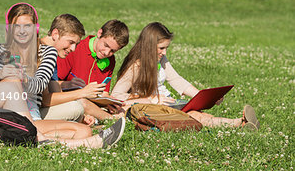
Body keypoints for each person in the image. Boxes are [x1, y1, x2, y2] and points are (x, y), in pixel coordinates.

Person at [0, 3, 126, 148]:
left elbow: (40, 84)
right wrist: (7, 74)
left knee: (84, 131)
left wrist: (22, 77)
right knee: (10, 81)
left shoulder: (47, 52)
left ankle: (35, 137)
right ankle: (68, 141)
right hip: (4, 114)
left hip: (32, 117)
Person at [111, 22, 260, 129]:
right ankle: (238, 124)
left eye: (166, 48)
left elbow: (177, 81)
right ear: (149, 45)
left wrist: (204, 97)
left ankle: (241, 123)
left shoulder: (161, 60)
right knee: (195, 117)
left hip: (166, 104)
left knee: (197, 113)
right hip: (149, 109)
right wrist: (152, 100)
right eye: (161, 48)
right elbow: (116, 95)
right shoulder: (136, 66)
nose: (164, 53)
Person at [56, 19, 129, 120]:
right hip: (72, 99)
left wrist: (109, 102)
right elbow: (54, 83)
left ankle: (107, 117)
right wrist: (70, 85)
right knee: (82, 103)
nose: (106, 53)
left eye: (113, 51)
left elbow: (104, 92)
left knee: (122, 108)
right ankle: (112, 120)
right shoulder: (74, 49)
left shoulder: (110, 60)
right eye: (106, 45)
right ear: (99, 33)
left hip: (93, 102)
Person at [39, 14, 94, 124]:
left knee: (76, 107)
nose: (73, 49)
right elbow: (45, 101)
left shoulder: (51, 53)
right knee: (76, 107)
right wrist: (82, 93)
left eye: (76, 44)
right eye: (71, 42)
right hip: (29, 113)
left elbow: (55, 91)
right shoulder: (42, 53)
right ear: (55, 34)